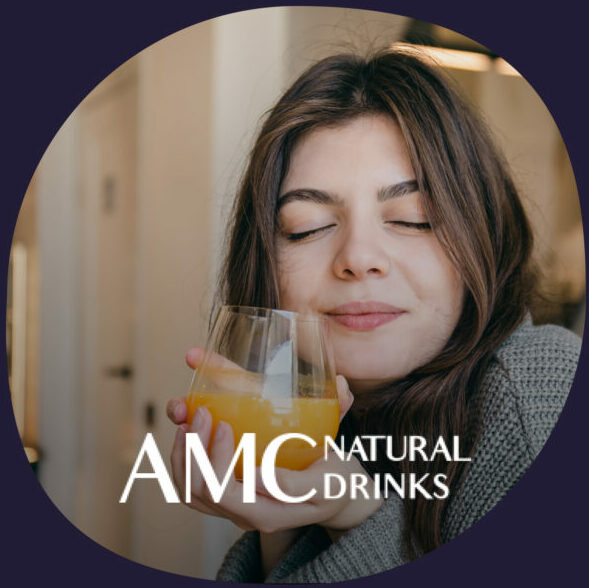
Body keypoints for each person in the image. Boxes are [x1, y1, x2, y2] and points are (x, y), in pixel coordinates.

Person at [166, 45, 582, 582]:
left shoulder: (541, 391)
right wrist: (281, 515)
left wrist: (353, 513)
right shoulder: (335, 416)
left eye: (413, 218)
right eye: (308, 227)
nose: (359, 258)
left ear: (483, 234)